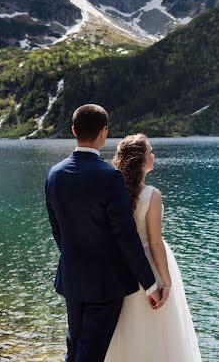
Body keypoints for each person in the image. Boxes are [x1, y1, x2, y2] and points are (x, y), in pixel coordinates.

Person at [45, 104, 163, 362]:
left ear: (73, 130)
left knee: (73, 347)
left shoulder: (54, 175)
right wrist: (150, 284)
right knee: (90, 355)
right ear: (104, 132)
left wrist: (74, 257)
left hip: (72, 277)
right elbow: (126, 236)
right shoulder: (110, 178)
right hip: (105, 283)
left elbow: (57, 227)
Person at [106, 133, 202, 361]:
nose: (154, 155)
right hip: (149, 266)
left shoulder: (115, 192)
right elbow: (155, 242)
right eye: (150, 151)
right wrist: (166, 283)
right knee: (158, 329)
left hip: (123, 267)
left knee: (127, 327)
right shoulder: (151, 195)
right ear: (140, 159)